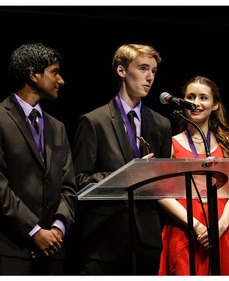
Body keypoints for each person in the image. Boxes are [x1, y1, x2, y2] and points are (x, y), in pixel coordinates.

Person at [0, 43, 77, 274]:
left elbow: (69, 185)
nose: (61, 81)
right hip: (9, 247)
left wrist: (57, 229)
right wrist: (35, 231)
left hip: (53, 249)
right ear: (33, 74)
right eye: (55, 72)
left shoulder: (57, 127)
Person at [67, 43, 172, 275]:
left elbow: (164, 182)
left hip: (147, 238)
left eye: (154, 71)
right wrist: (127, 174)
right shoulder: (94, 121)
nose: (150, 77)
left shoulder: (161, 124)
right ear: (121, 71)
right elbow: (77, 179)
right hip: (104, 238)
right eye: (143, 68)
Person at [158, 75, 229, 275]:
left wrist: (219, 226)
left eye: (203, 98)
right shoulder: (170, 143)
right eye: (191, 97)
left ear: (214, 105)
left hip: (222, 225)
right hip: (184, 228)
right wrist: (196, 225)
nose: (196, 103)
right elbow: (162, 194)